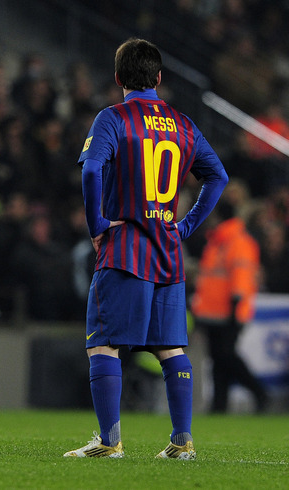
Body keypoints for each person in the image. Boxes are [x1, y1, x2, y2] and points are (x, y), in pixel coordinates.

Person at [64, 38, 228, 460]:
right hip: (167, 250)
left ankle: (109, 441)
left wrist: (97, 223)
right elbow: (218, 177)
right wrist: (186, 225)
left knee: (103, 344)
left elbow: (92, 170)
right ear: (159, 78)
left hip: (125, 247)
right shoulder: (183, 123)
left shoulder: (113, 118)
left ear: (118, 78)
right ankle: (182, 441)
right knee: (171, 348)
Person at [190, 194, 267, 413]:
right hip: (214, 312)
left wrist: (235, 305)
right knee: (219, 359)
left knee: (226, 356)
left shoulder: (236, 242)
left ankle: (258, 390)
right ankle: (219, 405)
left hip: (228, 310)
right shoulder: (219, 241)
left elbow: (240, 277)